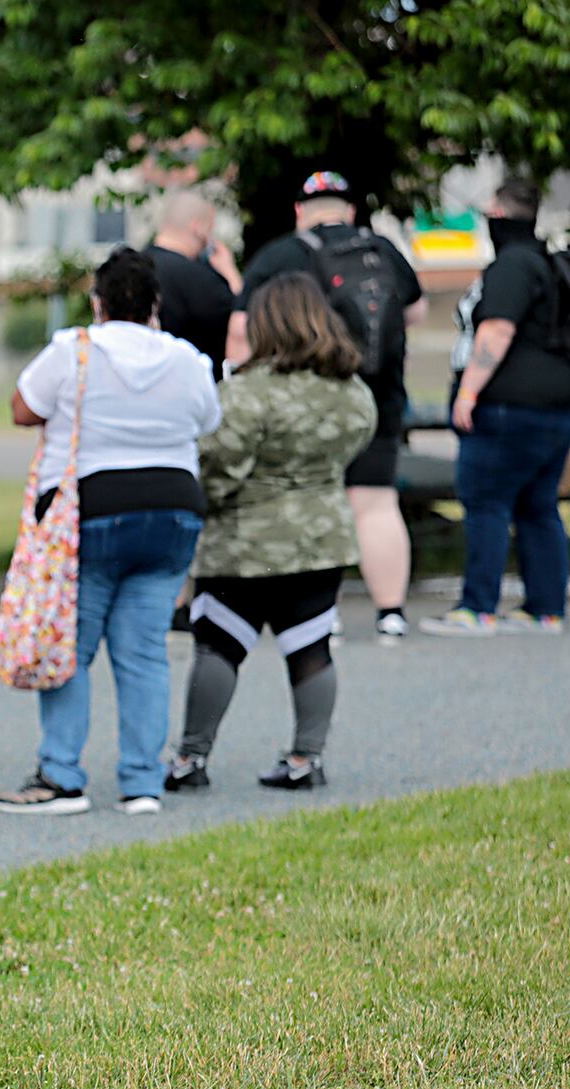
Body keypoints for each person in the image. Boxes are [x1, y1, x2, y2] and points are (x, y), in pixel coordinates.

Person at [0, 247, 220, 817]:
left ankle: (62, 775)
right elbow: (208, 420)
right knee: (145, 651)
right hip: (174, 512)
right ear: (155, 306)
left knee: (69, 647)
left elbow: (23, 409)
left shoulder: (73, 348)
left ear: (97, 302)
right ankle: (143, 782)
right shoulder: (187, 358)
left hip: (92, 514)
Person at [168, 273, 377, 792]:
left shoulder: (246, 393)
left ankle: (191, 760)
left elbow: (217, 469)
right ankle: (307, 758)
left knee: (219, 645)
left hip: (245, 541)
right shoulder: (351, 391)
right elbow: (356, 443)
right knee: (310, 646)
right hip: (321, 539)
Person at [227, 171, 427, 643]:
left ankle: (323, 615)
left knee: (317, 496)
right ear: (351, 210)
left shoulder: (284, 254)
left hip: (309, 400)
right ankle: (391, 614)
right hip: (378, 398)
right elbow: (414, 311)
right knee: (376, 503)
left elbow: (240, 327)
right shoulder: (383, 250)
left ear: (300, 211)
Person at [422, 179, 570, 637]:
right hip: (554, 406)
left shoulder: (512, 266)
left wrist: (468, 393)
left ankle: (477, 608)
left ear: (501, 214)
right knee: (538, 506)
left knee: (486, 503)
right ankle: (545, 609)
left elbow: (496, 331)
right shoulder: (550, 264)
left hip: (506, 407)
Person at [147, 191, 242, 380]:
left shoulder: (131, 269)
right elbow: (243, 322)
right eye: (210, 228)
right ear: (197, 227)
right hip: (195, 389)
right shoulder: (203, 279)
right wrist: (231, 273)